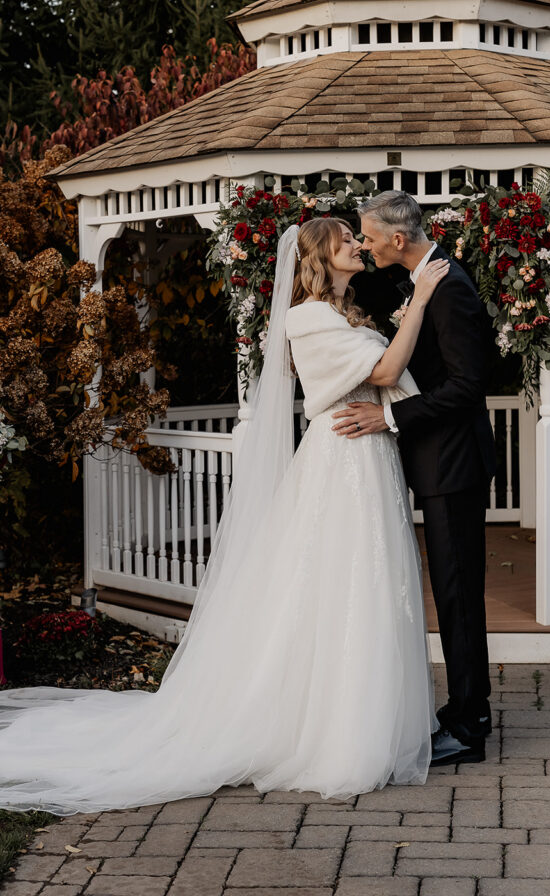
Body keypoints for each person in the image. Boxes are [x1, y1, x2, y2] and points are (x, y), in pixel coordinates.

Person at [0, 218, 451, 815]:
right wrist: (420, 299)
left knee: (366, 584)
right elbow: (388, 374)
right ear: (318, 258)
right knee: (342, 583)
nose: (355, 245)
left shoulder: (348, 312)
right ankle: (332, 734)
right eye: (343, 239)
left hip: (369, 457)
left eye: (354, 236)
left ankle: (357, 716)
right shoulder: (308, 317)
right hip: (341, 462)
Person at [332, 191, 497, 767]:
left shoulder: (448, 287)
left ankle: (470, 726)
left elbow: (466, 386)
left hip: (453, 465)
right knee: (452, 593)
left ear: (397, 240)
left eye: (369, 238)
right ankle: (463, 711)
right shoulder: (423, 281)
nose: (365, 245)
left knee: (457, 596)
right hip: (438, 461)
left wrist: (390, 416)